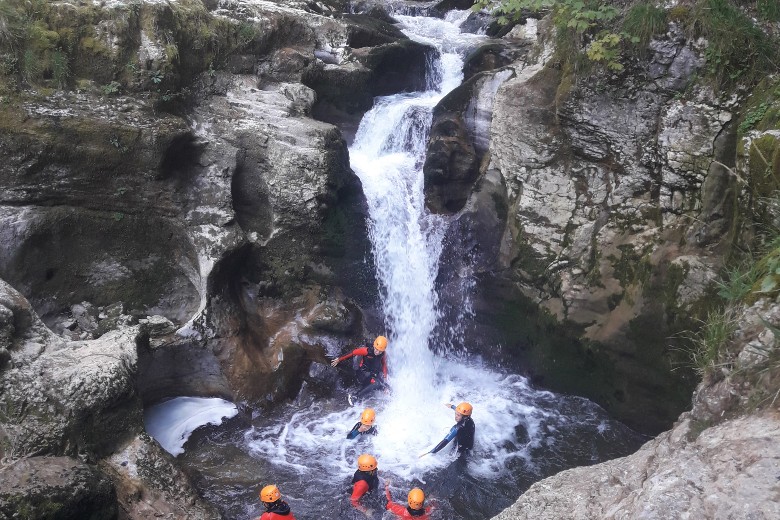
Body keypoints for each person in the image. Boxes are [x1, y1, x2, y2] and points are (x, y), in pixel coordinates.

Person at [331, 336, 389, 404]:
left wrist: (385, 376)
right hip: (363, 373)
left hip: (373, 373)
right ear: (374, 345)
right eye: (376, 349)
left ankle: (383, 390)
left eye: (380, 351)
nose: (377, 352)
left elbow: (384, 363)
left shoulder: (383, 353)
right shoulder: (366, 351)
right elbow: (352, 353)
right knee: (376, 383)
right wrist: (339, 359)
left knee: (387, 387)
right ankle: (355, 397)